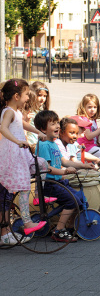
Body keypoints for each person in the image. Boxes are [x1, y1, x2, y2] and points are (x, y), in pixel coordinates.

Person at [34, 110, 95, 242]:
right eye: (52, 124)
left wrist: (84, 165)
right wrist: (64, 172)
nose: (57, 126)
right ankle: (59, 230)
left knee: (80, 200)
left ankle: (71, 227)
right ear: (42, 129)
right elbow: (47, 168)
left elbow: (64, 161)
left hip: (59, 182)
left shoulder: (54, 144)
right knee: (71, 200)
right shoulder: (44, 145)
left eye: (57, 123)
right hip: (50, 185)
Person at [0, 79, 48, 245]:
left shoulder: (16, 112)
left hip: (21, 154)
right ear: (16, 95)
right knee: (22, 186)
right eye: (27, 94)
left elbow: (23, 125)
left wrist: (38, 132)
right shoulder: (8, 112)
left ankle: (39, 196)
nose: (28, 97)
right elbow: (3, 128)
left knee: (42, 165)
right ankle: (26, 222)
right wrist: (16, 141)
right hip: (12, 155)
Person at [57, 116, 100, 203]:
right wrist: (84, 166)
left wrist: (96, 159)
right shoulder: (60, 144)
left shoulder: (71, 143)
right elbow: (70, 161)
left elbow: (82, 154)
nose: (84, 130)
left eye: (77, 132)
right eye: (72, 132)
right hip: (66, 172)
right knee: (92, 175)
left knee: (96, 174)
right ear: (62, 132)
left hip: (70, 170)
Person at [76, 94, 100, 161]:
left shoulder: (93, 119)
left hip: (93, 145)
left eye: (95, 107)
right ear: (84, 107)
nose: (92, 110)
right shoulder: (84, 120)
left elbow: (95, 134)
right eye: (89, 107)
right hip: (86, 147)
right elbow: (89, 136)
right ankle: (95, 168)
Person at [23, 81, 50, 151]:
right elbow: (24, 128)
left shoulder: (41, 111)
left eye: (45, 96)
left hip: (40, 141)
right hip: (30, 142)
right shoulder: (28, 111)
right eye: (39, 95)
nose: (42, 99)